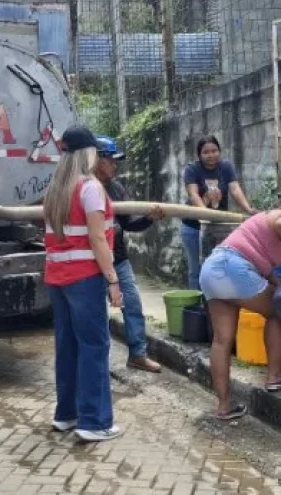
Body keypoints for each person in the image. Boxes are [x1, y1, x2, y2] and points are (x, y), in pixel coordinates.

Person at [200, 205, 281, 420]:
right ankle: (274, 376)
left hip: (213, 270)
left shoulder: (273, 234)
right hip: (233, 267)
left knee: (222, 340)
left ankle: (224, 406)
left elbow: (263, 270)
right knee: (279, 312)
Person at [42, 125, 124, 443]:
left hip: (57, 278)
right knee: (94, 346)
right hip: (84, 278)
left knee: (68, 345)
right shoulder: (89, 188)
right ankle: (95, 421)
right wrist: (113, 280)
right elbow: (97, 239)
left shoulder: (55, 188)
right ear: (88, 153)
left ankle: (67, 414)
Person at [93, 135, 164, 373]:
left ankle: (137, 355)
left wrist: (149, 218)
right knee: (95, 315)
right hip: (91, 263)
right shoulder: (83, 188)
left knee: (132, 305)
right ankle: (98, 363)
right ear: (96, 159)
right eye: (111, 160)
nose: (115, 165)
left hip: (118, 259)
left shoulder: (116, 188)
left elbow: (130, 223)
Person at [180, 136, 258, 289]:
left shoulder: (226, 167)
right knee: (196, 269)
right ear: (199, 155)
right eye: (206, 152)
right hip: (193, 226)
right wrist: (204, 214)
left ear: (219, 151)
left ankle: (215, 302)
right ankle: (198, 307)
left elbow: (235, 189)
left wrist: (248, 209)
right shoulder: (192, 169)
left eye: (214, 151)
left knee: (218, 266)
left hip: (217, 227)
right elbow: (193, 194)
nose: (211, 155)